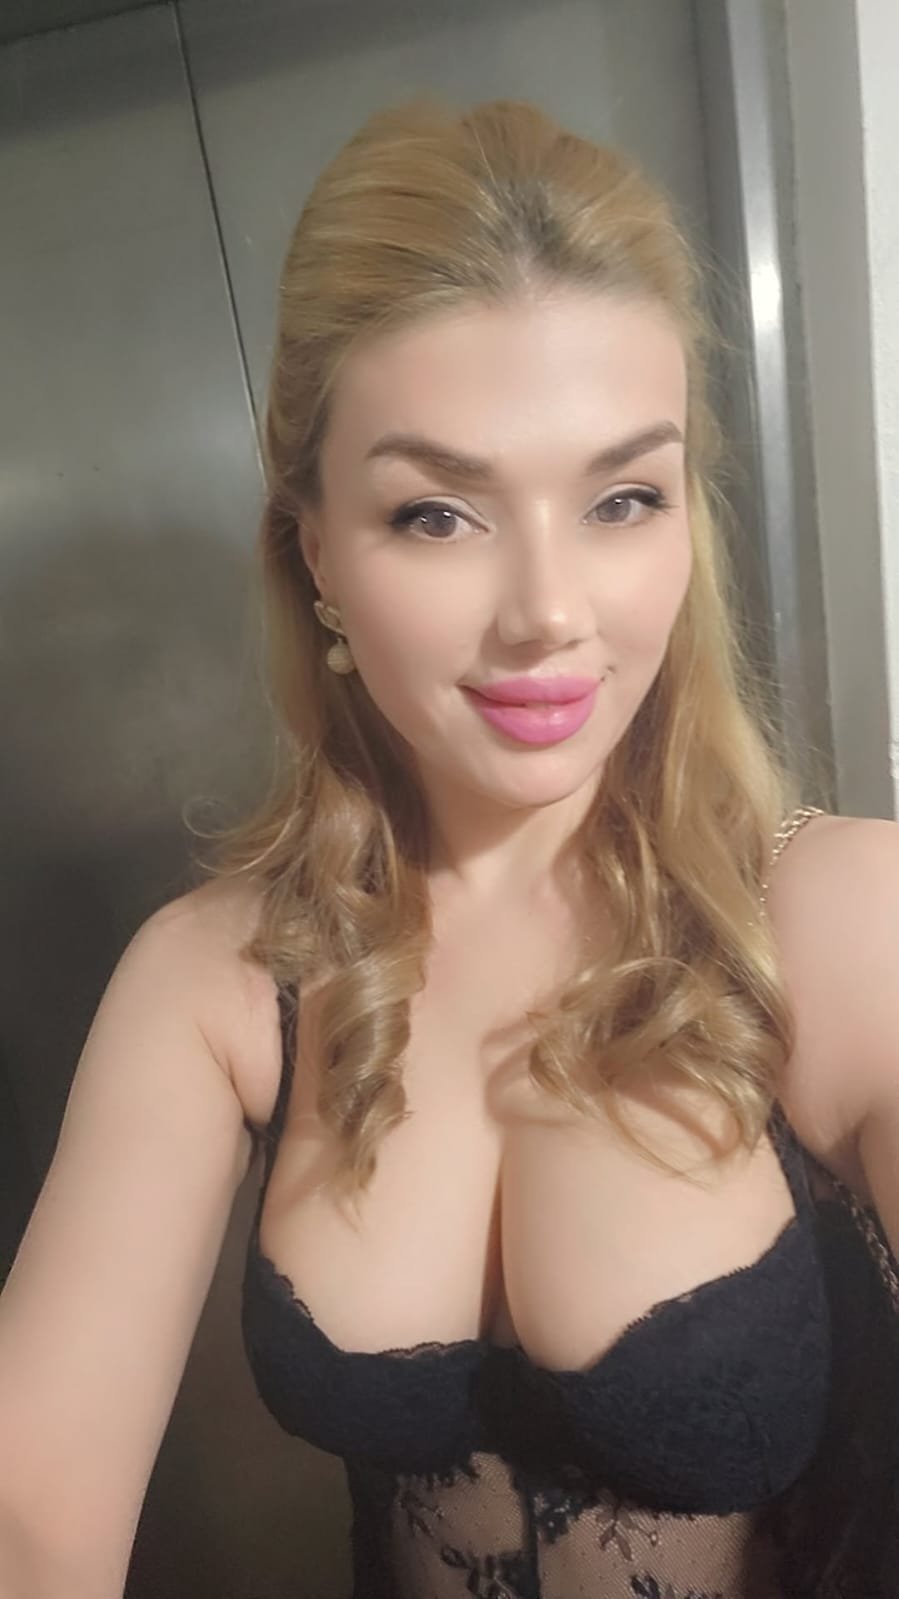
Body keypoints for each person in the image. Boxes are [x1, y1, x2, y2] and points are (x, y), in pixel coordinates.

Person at [1, 95, 898, 1599]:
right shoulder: (220, 984)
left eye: (623, 498)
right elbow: (29, 1511)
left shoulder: (841, 921)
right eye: (437, 515)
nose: (549, 610)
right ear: (317, 551)